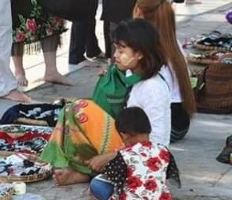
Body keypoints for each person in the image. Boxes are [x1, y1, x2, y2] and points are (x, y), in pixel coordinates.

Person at [40, 19, 171, 186]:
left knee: (99, 189)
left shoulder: (153, 88)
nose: (115, 55)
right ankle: (86, 170)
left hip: (146, 159)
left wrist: (111, 156)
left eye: (121, 50)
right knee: (73, 110)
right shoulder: (131, 77)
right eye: (116, 49)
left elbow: (157, 144)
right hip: (128, 147)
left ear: (139, 54)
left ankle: (88, 173)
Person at [133, 0, 196, 142]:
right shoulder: (173, 42)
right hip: (181, 122)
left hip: (168, 125)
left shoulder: (147, 47)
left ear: (138, 11)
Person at [88, 107, 173, 200]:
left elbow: (114, 179)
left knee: (96, 183)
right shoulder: (164, 151)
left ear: (124, 135)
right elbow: (167, 175)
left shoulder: (124, 155)